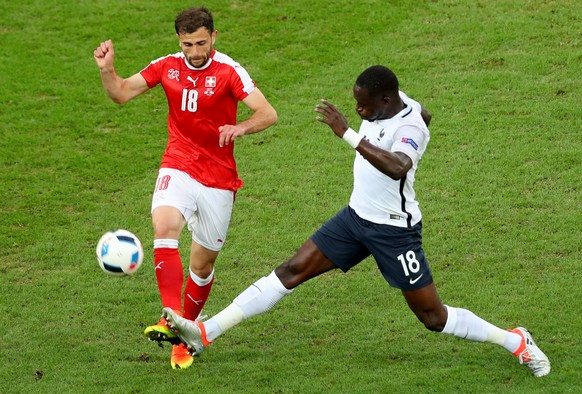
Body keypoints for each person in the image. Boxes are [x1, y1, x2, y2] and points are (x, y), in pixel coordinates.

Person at [160, 65, 550, 377]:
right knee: (290, 270)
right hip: (354, 219)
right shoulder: (399, 105)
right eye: (356, 106)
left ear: (386, 99)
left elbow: (398, 167)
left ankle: (515, 340)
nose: (359, 112)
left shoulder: (408, 127)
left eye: (364, 107)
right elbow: (425, 112)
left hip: (394, 232)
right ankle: (205, 334)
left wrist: (346, 131)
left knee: (433, 317)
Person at [93, 6, 277, 369]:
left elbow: (267, 113)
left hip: (219, 177)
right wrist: (107, 70)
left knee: (203, 265)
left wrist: (241, 127)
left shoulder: (228, 71)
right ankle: (170, 315)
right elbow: (121, 94)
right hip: (178, 162)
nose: (195, 52)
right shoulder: (167, 66)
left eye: (201, 43)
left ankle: (184, 336)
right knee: (164, 226)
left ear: (214, 37)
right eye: (187, 44)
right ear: (179, 41)